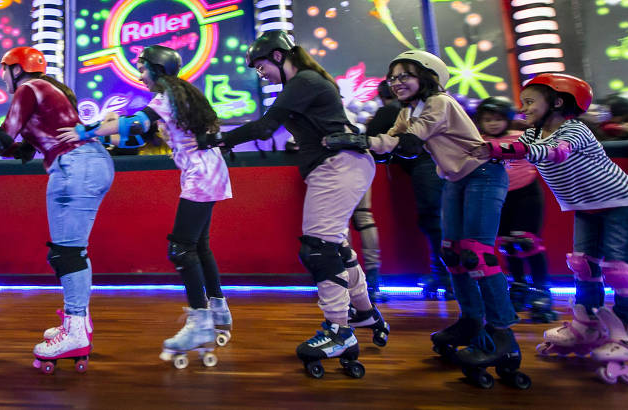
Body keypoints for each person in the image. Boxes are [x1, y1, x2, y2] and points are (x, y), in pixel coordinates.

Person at [199, 31, 389, 378]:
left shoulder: (303, 79)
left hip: (338, 165)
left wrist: (216, 139)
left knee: (318, 248)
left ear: (276, 55)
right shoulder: (307, 82)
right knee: (335, 246)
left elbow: (264, 126)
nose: (262, 75)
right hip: (339, 165)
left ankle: (339, 331)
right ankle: (363, 313)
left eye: (261, 67)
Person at [333, 50, 528, 388]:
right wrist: (355, 144)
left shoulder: (440, 103)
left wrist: (361, 140)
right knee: (451, 252)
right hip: (454, 179)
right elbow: (394, 142)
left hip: (483, 175)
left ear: (428, 76)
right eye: (392, 78)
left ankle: (503, 336)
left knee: (477, 253)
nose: (396, 83)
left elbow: (408, 142)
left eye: (404, 76)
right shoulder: (410, 109)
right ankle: (471, 320)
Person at [57, 45, 233, 368]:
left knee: (180, 249)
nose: (140, 76)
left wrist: (83, 131)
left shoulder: (167, 98)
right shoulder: (184, 94)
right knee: (199, 246)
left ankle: (200, 322)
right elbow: (143, 133)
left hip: (202, 176)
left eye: (143, 69)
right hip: (210, 171)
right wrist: (109, 132)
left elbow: (135, 125)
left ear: (156, 69)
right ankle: (218, 308)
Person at [487, 74, 628, 381]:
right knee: (583, 266)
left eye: (530, 102)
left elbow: (557, 150)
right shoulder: (533, 133)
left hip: (622, 203)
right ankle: (587, 323)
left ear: (556, 102)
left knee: (618, 269)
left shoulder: (575, 129)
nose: (523, 108)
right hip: (585, 207)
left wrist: (502, 150)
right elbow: (517, 146)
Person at [0, 46, 114, 374]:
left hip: (73, 165)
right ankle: (76, 321)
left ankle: (76, 329)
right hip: (90, 162)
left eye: (5, 69)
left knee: (66, 253)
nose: (3, 76)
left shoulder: (28, 89)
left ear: (16, 69)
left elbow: (2, 139)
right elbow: (22, 150)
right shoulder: (48, 91)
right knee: (71, 252)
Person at [367, 82, 451, 300]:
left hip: (428, 165)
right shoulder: (409, 110)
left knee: (434, 220)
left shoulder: (407, 109)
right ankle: (447, 276)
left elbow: (384, 138)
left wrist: (367, 140)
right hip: (438, 166)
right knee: (437, 221)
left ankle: (447, 276)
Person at [474, 97, 555, 323]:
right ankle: (518, 285)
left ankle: (541, 290)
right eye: (487, 119)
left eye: (498, 119)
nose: (492, 124)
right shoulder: (478, 140)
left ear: (507, 119)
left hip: (526, 194)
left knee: (527, 242)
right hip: (498, 196)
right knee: (508, 244)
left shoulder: (521, 137)